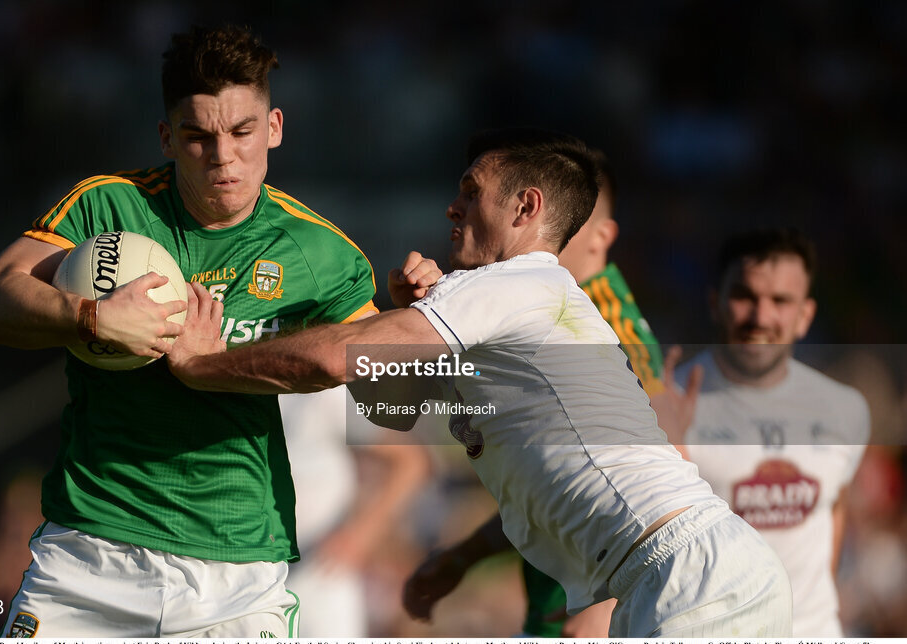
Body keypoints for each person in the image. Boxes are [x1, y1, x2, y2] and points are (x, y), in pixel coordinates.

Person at [166, 128, 793, 637]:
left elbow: (336, 359)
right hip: (677, 577)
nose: (452, 205)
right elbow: (391, 409)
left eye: (472, 190)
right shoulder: (516, 312)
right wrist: (397, 323)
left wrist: (202, 364)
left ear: (526, 207)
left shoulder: (512, 285)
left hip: (687, 578)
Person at [0, 24, 377, 638]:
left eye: (242, 132)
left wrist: (420, 311)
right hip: (88, 556)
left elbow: (402, 391)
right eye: (198, 136)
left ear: (275, 128)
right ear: (166, 138)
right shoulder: (108, 207)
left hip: (236, 573)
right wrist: (91, 317)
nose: (223, 157)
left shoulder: (321, 252)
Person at [400, 149, 663, 637]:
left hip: (603, 608)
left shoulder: (614, 332)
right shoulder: (536, 319)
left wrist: (602, 611)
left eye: (573, 222)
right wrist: (464, 556)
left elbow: (653, 486)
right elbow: (551, 485)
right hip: (553, 605)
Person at [666, 228, 870, 636]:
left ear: (805, 316)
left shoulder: (846, 409)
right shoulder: (665, 406)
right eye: (745, 296)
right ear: (715, 303)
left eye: (780, 301)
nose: (761, 317)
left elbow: (833, 509)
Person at [279, 387, 430, 636]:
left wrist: (361, 535)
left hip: (321, 573)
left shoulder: (321, 393)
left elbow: (410, 461)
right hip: (251, 575)